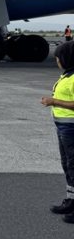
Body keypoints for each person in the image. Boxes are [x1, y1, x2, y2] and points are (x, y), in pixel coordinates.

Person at [41, 41, 74, 220]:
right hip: (63, 127)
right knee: (68, 165)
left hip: (71, 128)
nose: (56, 61)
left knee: (73, 166)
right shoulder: (67, 76)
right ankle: (71, 200)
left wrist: (54, 102)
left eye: (58, 57)